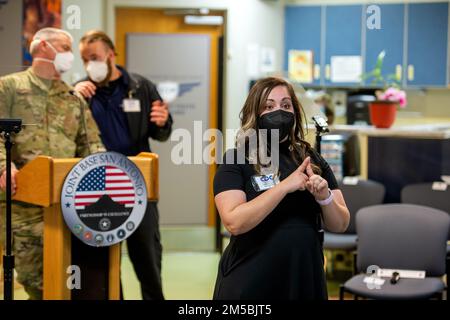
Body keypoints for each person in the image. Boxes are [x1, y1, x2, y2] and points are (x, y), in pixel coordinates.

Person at [213, 77, 350, 300]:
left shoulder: (311, 159)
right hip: (252, 281)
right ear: (255, 113)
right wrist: (285, 186)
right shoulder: (237, 159)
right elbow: (234, 222)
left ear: (295, 112)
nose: (280, 111)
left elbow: (341, 223)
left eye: (286, 105)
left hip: (304, 278)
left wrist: (324, 197)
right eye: (269, 106)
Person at [0, 27, 104, 300]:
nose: (70, 55)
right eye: (65, 47)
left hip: (67, 205)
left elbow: (91, 145)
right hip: (23, 203)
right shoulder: (9, 87)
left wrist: (101, 175)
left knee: (67, 282)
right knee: (35, 279)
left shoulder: (73, 97)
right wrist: (3, 165)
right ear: (43, 46)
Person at [74, 30, 173, 300]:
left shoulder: (140, 87)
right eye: (84, 59)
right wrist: (73, 98)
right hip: (95, 189)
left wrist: (163, 122)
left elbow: (160, 132)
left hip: (137, 186)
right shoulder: (81, 92)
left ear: (111, 54)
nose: (89, 64)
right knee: (103, 265)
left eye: (94, 57)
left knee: (148, 258)